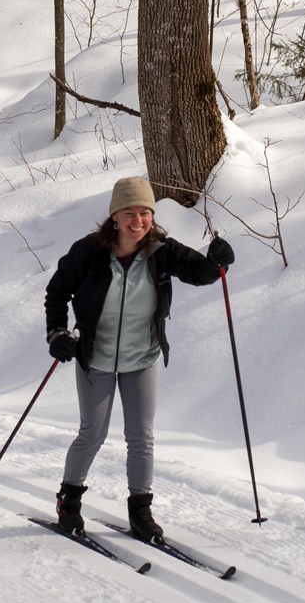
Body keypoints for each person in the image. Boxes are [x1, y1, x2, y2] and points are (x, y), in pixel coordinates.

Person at [43, 176, 234, 542]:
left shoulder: (162, 250)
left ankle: (141, 510)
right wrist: (57, 334)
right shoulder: (88, 252)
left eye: (145, 212)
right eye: (129, 212)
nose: (138, 221)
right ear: (114, 216)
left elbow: (199, 273)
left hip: (142, 357)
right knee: (92, 434)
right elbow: (57, 292)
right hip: (95, 357)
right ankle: (69, 500)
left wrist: (217, 263)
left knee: (141, 436)